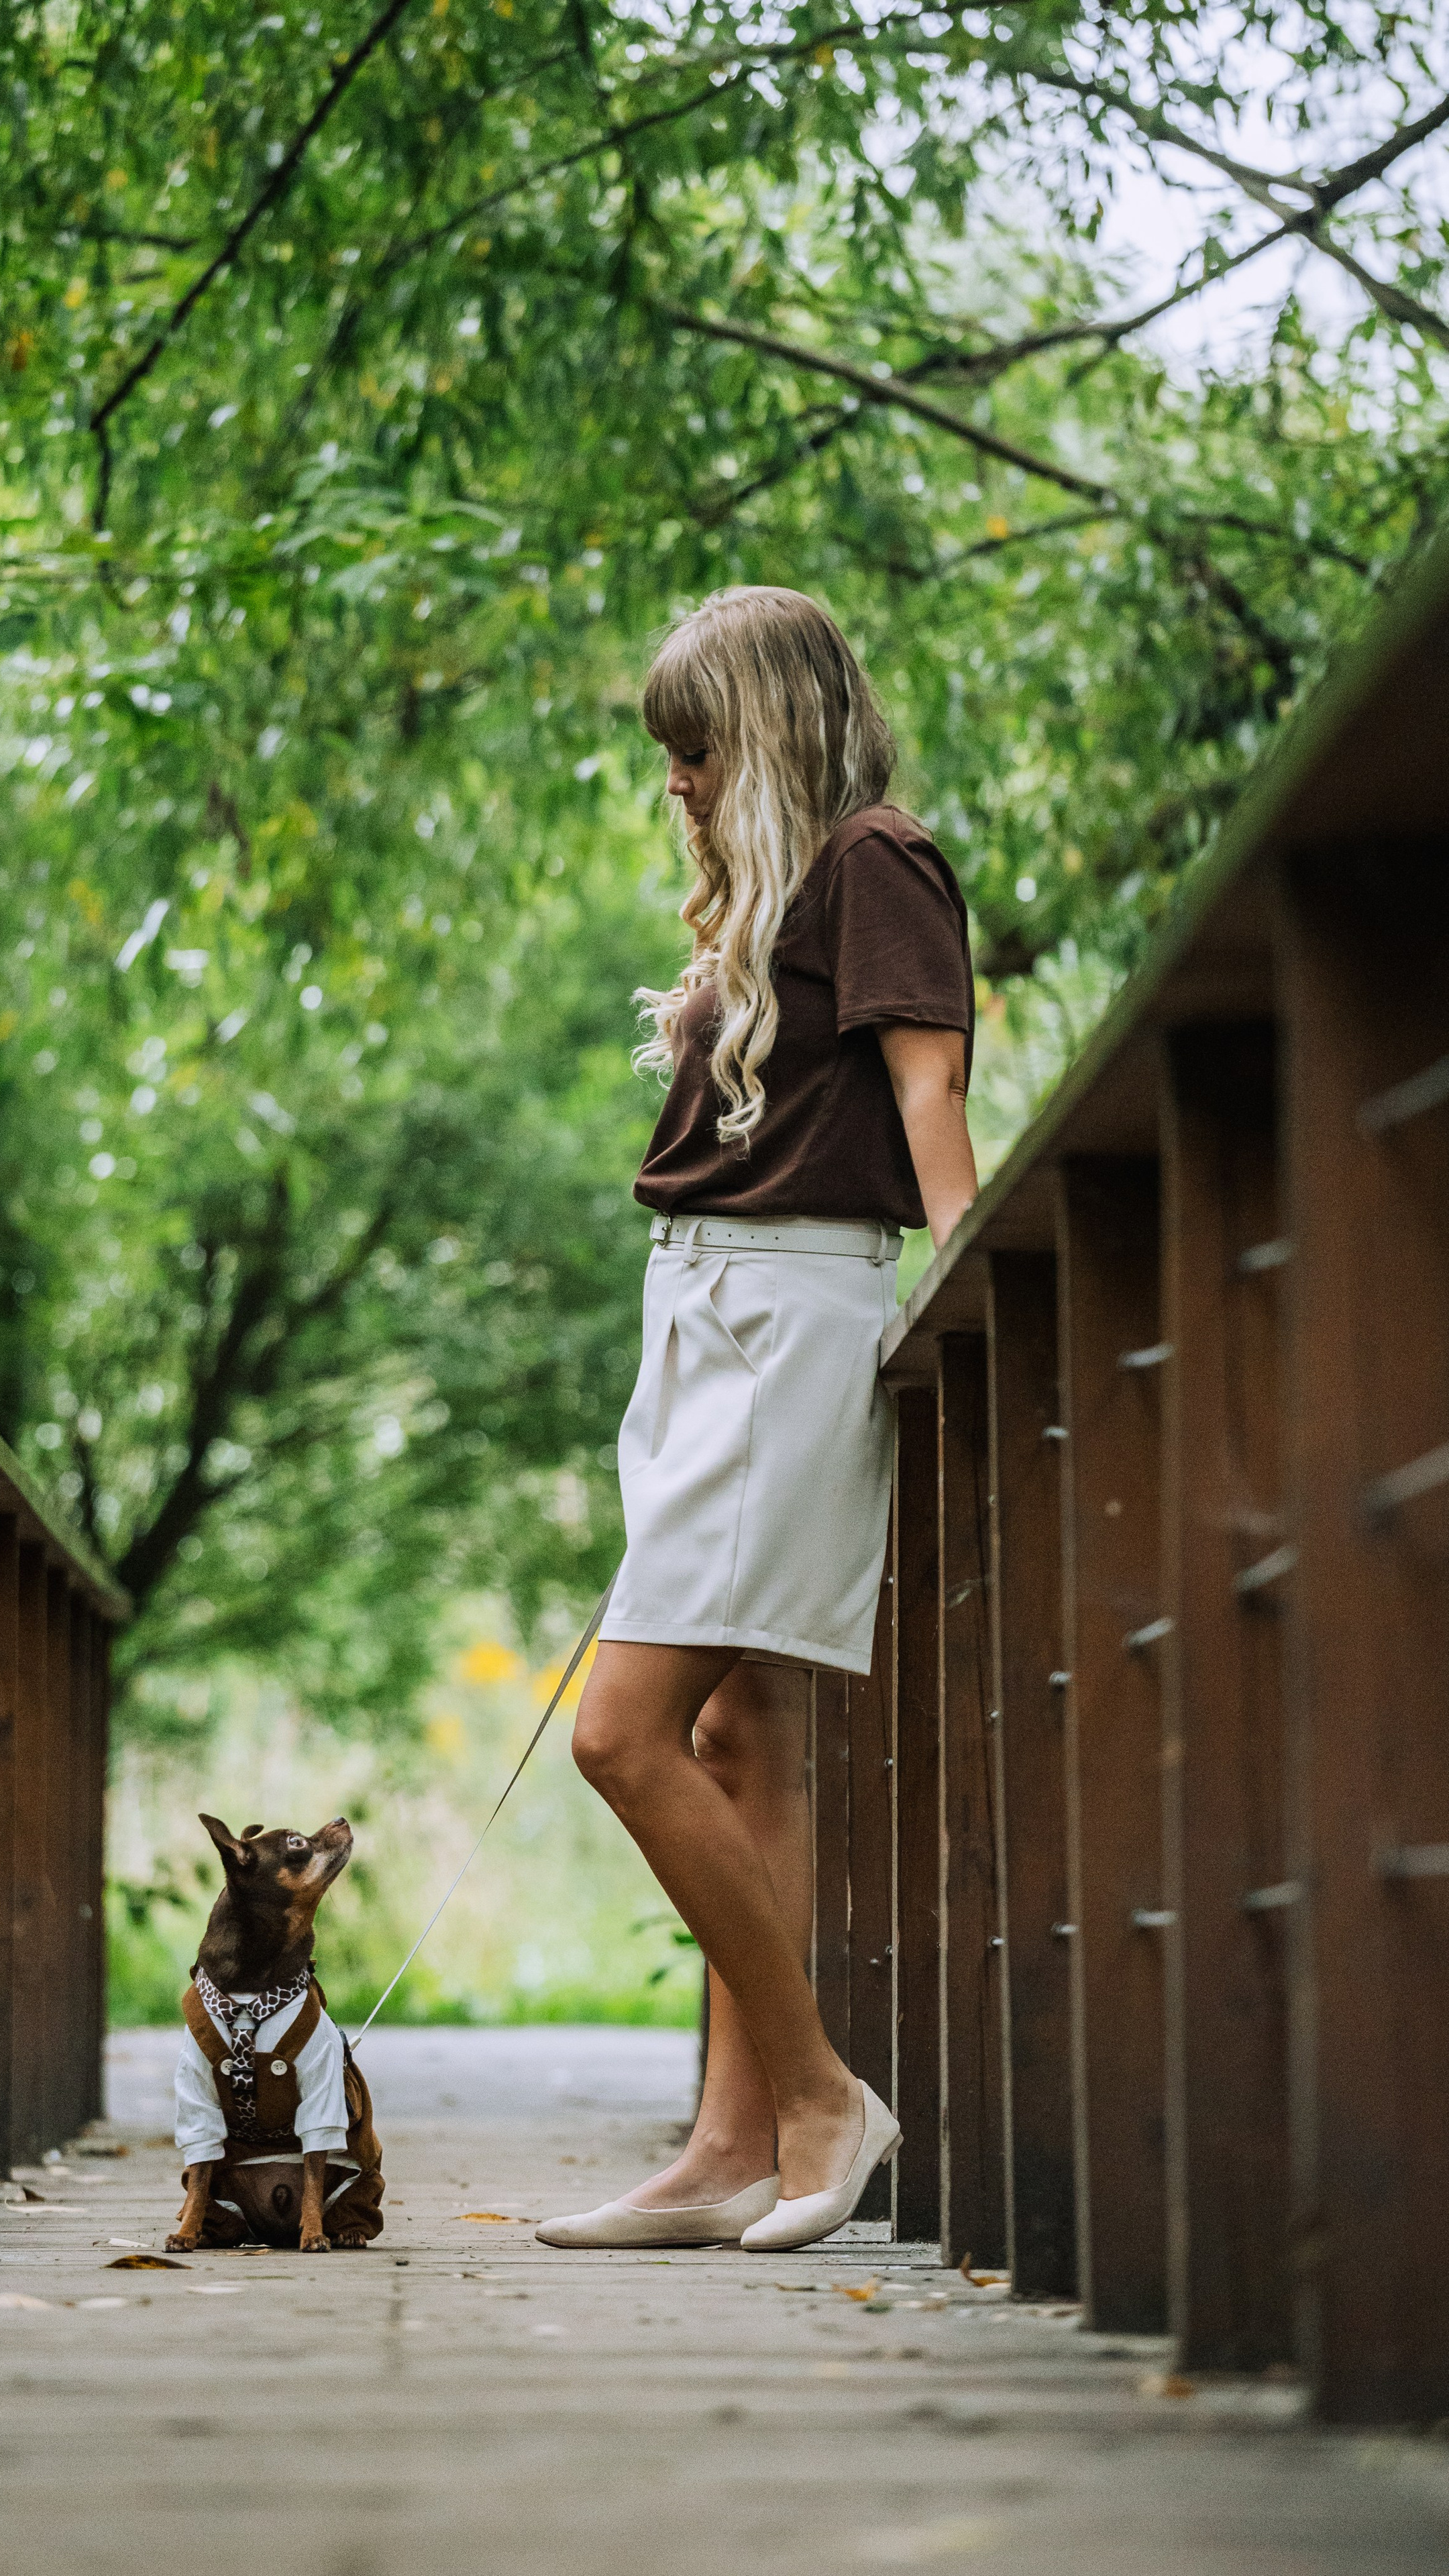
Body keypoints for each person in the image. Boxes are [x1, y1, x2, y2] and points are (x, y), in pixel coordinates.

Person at [538, 586, 977, 2255]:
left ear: (774, 728)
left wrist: (963, 1307)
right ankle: (731, 2147)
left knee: (618, 1731)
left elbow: (930, 1093)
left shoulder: (877, 857)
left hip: (789, 1317)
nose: (677, 779)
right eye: (667, 751)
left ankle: (813, 2094)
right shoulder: (786, 891)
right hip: (709, 1311)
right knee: (737, 1739)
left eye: (699, 744)